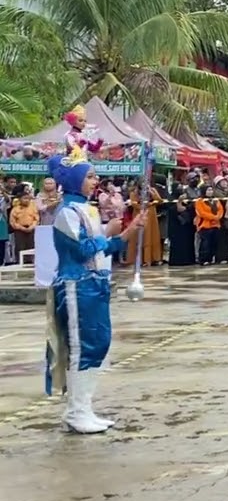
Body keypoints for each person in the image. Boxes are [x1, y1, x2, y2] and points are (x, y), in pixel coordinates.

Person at [44, 152, 145, 433]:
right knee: (81, 347)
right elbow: (82, 251)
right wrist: (107, 232)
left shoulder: (86, 210)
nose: (95, 180)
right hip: (76, 285)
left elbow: (103, 249)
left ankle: (85, 408)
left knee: (98, 344)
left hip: (95, 284)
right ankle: (76, 411)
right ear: (75, 180)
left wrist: (127, 232)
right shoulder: (66, 212)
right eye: (89, 176)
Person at [194, 186, 223, 266]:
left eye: (211, 190)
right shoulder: (199, 201)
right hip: (204, 225)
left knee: (214, 242)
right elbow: (201, 213)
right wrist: (213, 217)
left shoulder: (216, 200)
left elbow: (220, 210)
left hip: (216, 225)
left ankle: (211, 258)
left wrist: (218, 217)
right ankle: (203, 259)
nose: (210, 191)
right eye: (208, 190)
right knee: (205, 243)